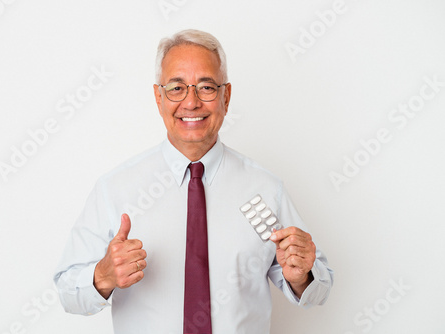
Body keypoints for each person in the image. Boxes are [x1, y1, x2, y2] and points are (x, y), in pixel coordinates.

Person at [54, 29, 334, 333]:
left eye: (206, 87)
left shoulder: (266, 189)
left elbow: (318, 288)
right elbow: (68, 292)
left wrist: (301, 276)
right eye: (176, 88)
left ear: (226, 97)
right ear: (158, 97)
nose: (191, 102)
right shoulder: (115, 189)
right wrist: (103, 276)